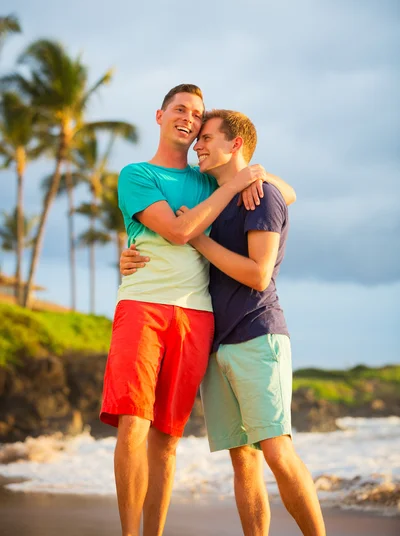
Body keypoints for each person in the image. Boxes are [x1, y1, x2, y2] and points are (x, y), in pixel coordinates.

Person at [100, 84, 295, 536]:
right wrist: (233, 190)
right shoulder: (136, 173)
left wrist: (255, 175)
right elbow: (179, 231)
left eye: (197, 114)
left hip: (197, 316)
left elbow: (287, 192)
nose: (189, 119)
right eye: (180, 109)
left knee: (167, 440)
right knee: (133, 424)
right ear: (160, 115)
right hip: (143, 306)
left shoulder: (208, 177)